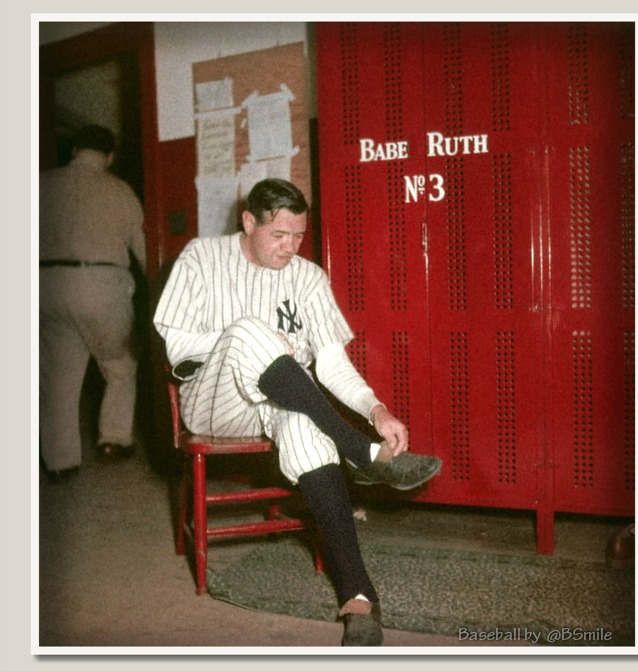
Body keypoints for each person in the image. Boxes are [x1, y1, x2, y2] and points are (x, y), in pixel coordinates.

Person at [153, 178, 442, 647]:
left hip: (282, 398)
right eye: (278, 236)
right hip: (213, 400)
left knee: (306, 428)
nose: (290, 248)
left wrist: (377, 411)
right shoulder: (201, 258)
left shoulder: (307, 277)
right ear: (249, 222)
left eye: (298, 237)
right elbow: (180, 348)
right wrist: (253, 339)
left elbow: (330, 363)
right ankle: (357, 451)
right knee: (251, 331)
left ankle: (358, 596)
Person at [39, 124, 146, 481]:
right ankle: (113, 440)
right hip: (102, 284)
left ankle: (60, 462)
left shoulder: (42, 184)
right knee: (120, 364)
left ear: (74, 151)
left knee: (58, 376)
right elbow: (143, 251)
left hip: (46, 283)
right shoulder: (120, 190)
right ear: (110, 156)